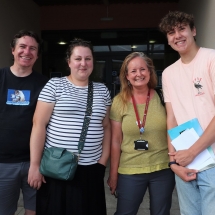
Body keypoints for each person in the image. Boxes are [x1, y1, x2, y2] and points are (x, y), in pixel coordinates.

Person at [28, 38, 111, 215]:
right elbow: (38, 125)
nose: (83, 63)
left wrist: (102, 162)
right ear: (69, 62)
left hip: (91, 169)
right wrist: (35, 165)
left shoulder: (102, 90)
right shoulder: (54, 85)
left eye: (88, 59)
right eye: (78, 58)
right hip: (57, 167)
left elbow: (106, 127)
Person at [159, 11, 215, 215]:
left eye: (182, 28)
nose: (177, 36)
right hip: (185, 164)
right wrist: (173, 162)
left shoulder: (211, 59)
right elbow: (171, 118)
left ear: (193, 30)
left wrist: (193, 151)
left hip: (212, 162)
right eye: (171, 32)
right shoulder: (168, 73)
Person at [107, 52, 175, 215]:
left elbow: (173, 129)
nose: (139, 74)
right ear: (127, 76)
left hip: (162, 169)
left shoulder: (163, 97)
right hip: (130, 170)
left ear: (150, 72)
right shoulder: (118, 102)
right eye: (133, 71)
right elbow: (116, 141)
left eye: (143, 69)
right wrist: (113, 174)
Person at [0, 30, 48, 215]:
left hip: (35, 162)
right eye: (22, 47)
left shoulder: (45, 84)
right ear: (13, 50)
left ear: (37, 54)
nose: (27, 52)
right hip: (3, 163)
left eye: (33, 48)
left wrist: (37, 164)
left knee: (35, 211)